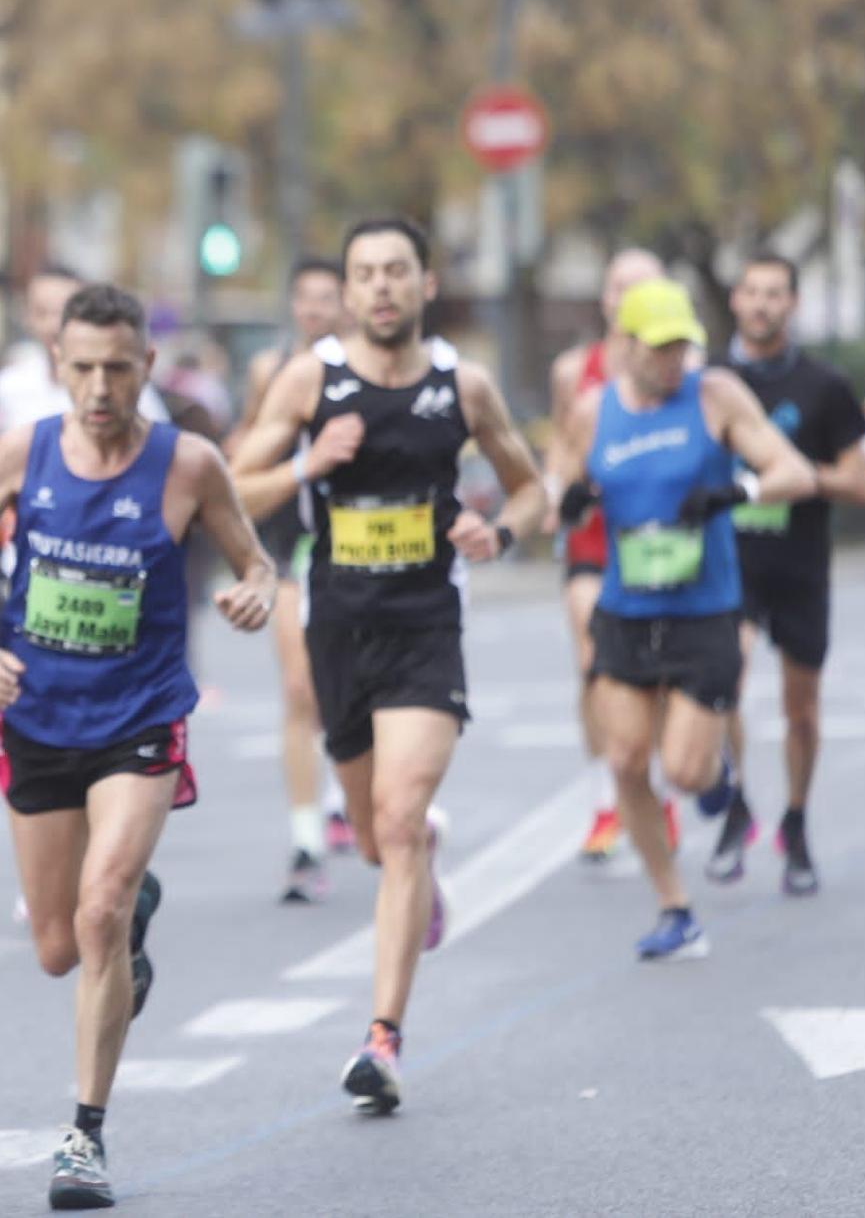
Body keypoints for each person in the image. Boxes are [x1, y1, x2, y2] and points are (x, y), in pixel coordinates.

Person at [0, 281, 272, 1209]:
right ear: (57, 366)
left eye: (119, 366)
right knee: (53, 945)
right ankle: (129, 915)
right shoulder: (23, 450)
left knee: (100, 911)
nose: (100, 385)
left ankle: (84, 1134)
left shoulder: (187, 463)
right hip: (37, 718)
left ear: (147, 366)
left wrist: (256, 594)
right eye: (82, 367)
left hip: (140, 719)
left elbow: (255, 560)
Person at [230, 217, 546, 1115]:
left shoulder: (462, 383)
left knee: (401, 819)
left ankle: (382, 1038)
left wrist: (503, 530)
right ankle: (419, 868)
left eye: (395, 271)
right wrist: (305, 460)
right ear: (349, 288)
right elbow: (226, 482)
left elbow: (534, 486)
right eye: (365, 272)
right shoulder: (311, 379)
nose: (379, 287)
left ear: (425, 284)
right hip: (339, 625)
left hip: (425, 627)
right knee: (375, 837)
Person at [553, 278, 815, 958]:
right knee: (625, 758)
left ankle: (719, 773)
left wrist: (736, 490)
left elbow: (794, 471)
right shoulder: (593, 409)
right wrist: (571, 499)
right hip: (625, 610)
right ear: (628, 345)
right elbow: (557, 484)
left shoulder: (714, 395)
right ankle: (674, 904)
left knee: (688, 772)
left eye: (681, 346)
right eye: (661, 347)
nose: (674, 360)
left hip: (704, 611)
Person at [704, 254, 865, 891]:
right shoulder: (711, 384)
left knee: (801, 709)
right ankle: (737, 805)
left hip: (800, 565)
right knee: (725, 679)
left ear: (793, 304)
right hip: (730, 563)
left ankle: (796, 823)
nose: (761, 304)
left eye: (775, 294)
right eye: (751, 292)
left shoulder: (823, 386)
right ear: (737, 301)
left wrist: (790, 480)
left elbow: (858, 483)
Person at [230, 257, 352, 902]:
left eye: (326, 298)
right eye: (303, 298)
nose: (313, 310)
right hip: (289, 544)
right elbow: (247, 451)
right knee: (300, 687)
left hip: (355, 548)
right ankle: (305, 839)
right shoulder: (269, 370)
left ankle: (350, 794)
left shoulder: (365, 370)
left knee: (349, 692)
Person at [545, 248, 671, 862]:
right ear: (604, 298)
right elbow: (561, 449)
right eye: (619, 286)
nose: (628, 298)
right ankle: (604, 802)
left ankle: (662, 789)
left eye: (643, 287)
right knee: (593, 659)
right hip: (594, 540)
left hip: (662, 544)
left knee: (664, 669)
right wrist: (551, 498)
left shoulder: (687, 371)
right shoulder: (576, 372)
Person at [0, 263, 170, 433]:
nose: (53, 324)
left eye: (62, 311)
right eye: (41, 312)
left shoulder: (134, 393)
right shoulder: (10, 385)